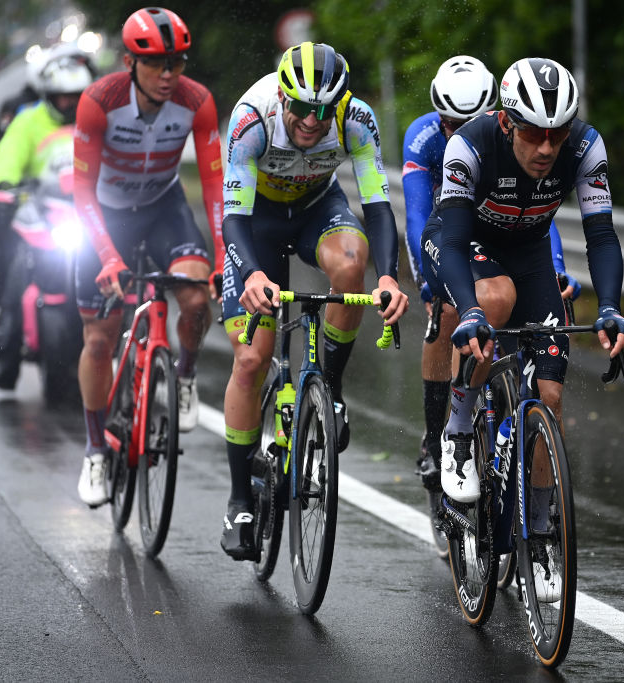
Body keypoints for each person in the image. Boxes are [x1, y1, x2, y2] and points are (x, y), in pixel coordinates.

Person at [218, 41, 408, 559]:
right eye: (301, 108)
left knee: (353, 264)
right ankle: (239, 499)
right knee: (252, 357)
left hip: (316, 208)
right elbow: (232, 217)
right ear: (283, 97)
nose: (311, 120)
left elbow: (377, 205)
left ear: (341, 103)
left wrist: (387, 278)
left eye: (324, 110)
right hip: (254, 220)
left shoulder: (357, 119)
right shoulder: (251, 118)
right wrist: (253, 273)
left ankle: (331, 385)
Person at [420, 56, 624, 509]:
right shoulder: (469, 145)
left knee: (550, 398)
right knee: (496, 297)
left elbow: (601, 234)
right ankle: (457, 428)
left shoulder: (586, 146)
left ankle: (540, 534)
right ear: (506, 121)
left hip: (528, 251)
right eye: (533, 133)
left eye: (556, 134)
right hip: (461, 241)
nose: (546, 148)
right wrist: (471, 310)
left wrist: (610, 307)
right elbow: (455, 240)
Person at [401, 55, 581, 495]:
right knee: (451, 312)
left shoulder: (511, 140)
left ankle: (515, 427)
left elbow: (537, 212)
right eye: (448, 121)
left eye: (469, 119)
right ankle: (437, 437)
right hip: (454, 230)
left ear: (495, 115)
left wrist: (556, 269)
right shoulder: (425, 138)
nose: (456, 129)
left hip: (504, 231)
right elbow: (418, 212)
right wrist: (429, 280)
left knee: (522, 317)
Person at [72, 7, 225, 507]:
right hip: (107, 214)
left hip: (163, 208)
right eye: (156, 64)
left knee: (197, 297)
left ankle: (182, 375)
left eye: (176, 63)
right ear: (130, 62)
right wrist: (107, 256)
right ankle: (96, 448)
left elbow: (213, 185)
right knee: (99, 339)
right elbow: (81, 190)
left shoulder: (197, 101)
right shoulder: (99, 102)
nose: (168, 75)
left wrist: (224, 255)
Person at [0, 47, 95, 389]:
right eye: (62, 98)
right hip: (42, 216)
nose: (69, 105)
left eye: (75, 98)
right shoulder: (28, 121)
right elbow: (6, 157)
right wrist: (6, 187)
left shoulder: (97, 121)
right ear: (48, 96)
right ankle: (6, 355)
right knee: (15, 281)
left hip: (89, 214)